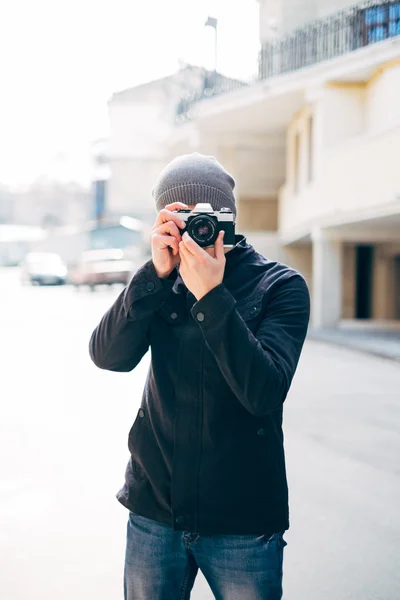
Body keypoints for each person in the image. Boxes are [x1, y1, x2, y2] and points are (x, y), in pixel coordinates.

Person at [89, 153, 310, 600]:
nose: (195, 230)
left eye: (204, 218)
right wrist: (152, 274)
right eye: (180, 219)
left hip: (242, 521)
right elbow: (106, 355)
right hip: (155, 510)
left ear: (228, 218)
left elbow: (264, 392)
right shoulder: (158, 281)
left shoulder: (279, 286)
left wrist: (211, 293)